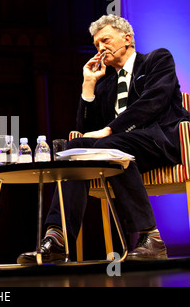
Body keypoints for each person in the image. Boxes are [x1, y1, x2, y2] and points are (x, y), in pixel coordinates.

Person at [18, 14, 190, 264]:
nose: (100, 49)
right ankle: (58, 237)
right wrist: (88, 85)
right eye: (96, 45)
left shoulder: (157, 59)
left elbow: (153, 103)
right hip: (117, 150)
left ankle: (150, 237)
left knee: (109, 144)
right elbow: (87, 130)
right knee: (74, 148)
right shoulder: (106, 83)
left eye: (105, 40)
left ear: (127, 39)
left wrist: (111, 130)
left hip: (159, 141)